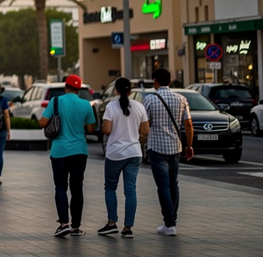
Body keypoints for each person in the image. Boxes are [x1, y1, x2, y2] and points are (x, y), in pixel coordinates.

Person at [39, 74, 95, 238]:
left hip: (59, 151)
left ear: (66, 86)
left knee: (60, 187)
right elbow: (91, 129)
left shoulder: (56, 101)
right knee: (77, 188)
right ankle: (76, 227)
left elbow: (42, 123)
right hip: (80, 151)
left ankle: (64, 224)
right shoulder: (86, 104)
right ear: (78, 89)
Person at [144, 67, 192, 237]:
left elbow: (145, 125)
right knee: (173, 184)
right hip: (175, 147)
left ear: (155, 81)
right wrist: (189, 145)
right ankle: (171, 221)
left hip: (157, 148)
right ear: (170, 81)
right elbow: (188, 124)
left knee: (163, 186)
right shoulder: (181, 99)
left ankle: (169, 223)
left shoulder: (149, 99)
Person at [99, 77, 149, 238]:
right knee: (130, 190)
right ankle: (128, 228)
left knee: (110, 187)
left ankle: (112, 223)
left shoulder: (111, 106)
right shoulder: (139, 107)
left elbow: (107, 130)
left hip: (115, 153)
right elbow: (145, 131)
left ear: (116, 90)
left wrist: (104, 126)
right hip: (134, 153)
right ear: (130, 90)